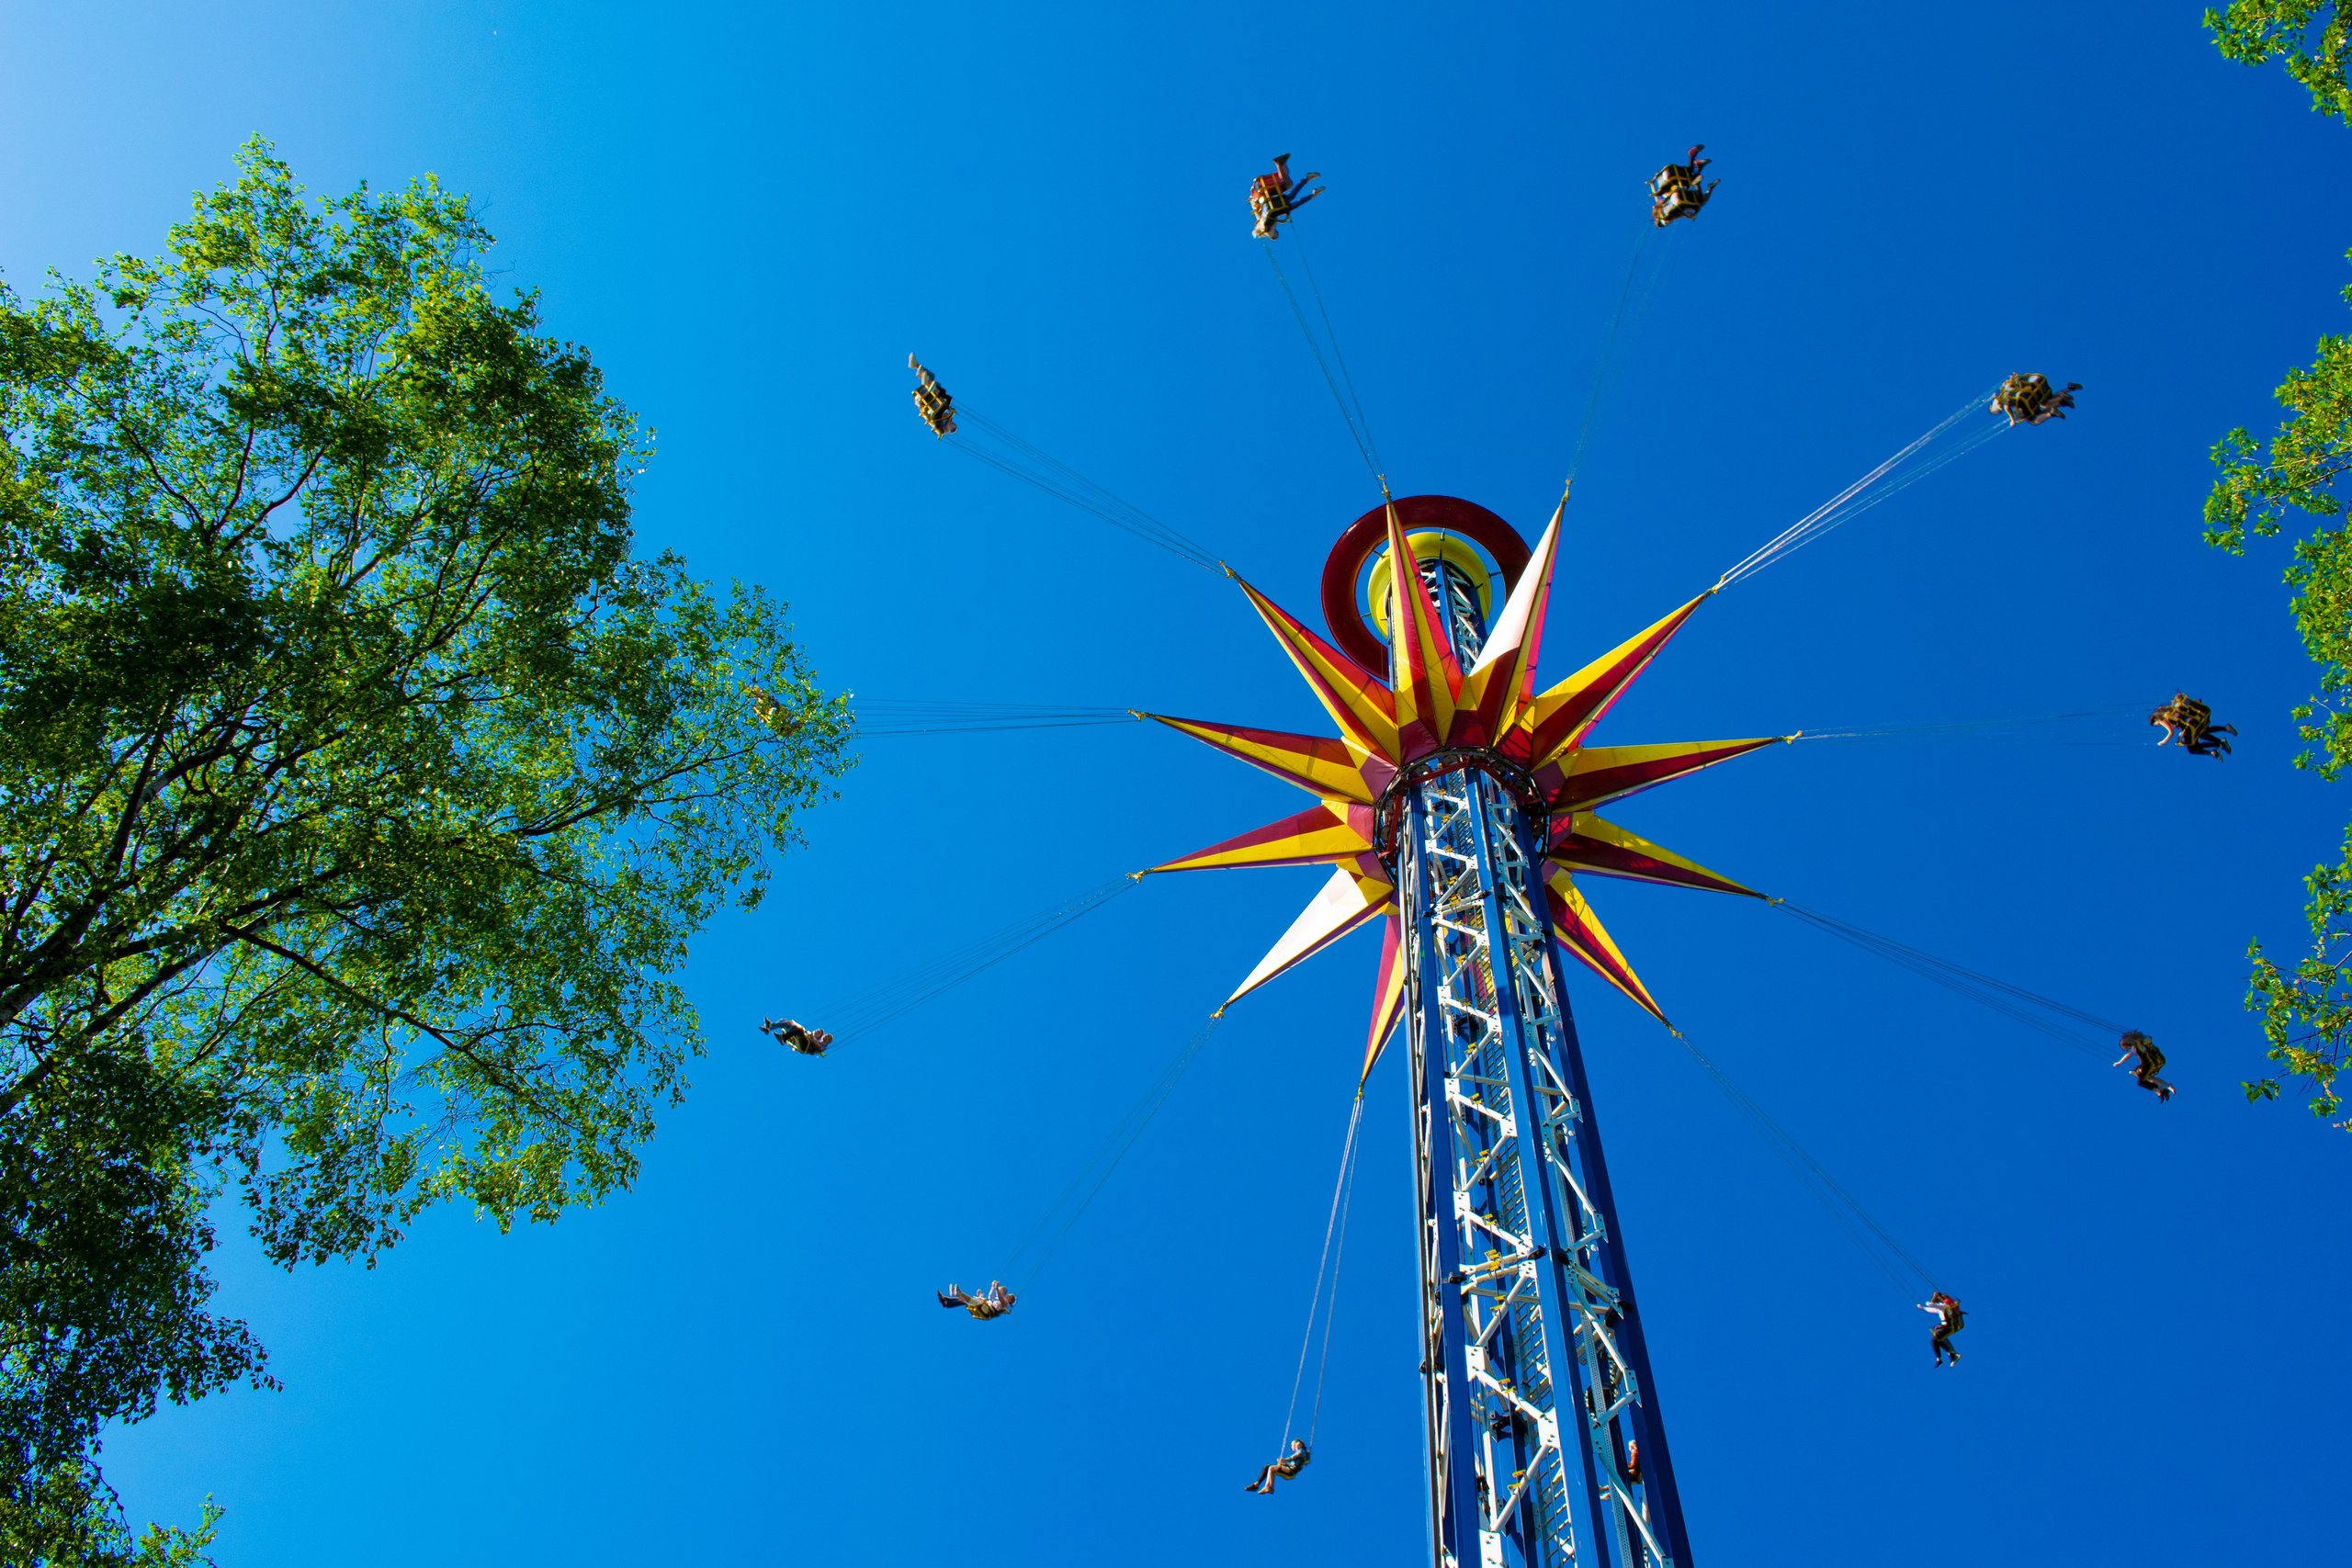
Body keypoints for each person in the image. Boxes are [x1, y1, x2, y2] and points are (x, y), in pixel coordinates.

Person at [1250, 153, 1324, 239]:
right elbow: (1257, 213)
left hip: (1272, 208)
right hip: (1273, 207)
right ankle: (1309, 185)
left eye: (1275, 235)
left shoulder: (1266, 230)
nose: (1276, 234)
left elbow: (1269, 233)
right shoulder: (1261, 222)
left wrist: (1263, 234)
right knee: (1292, 200)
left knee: (1293, 201)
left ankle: (1309, 186)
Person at [1649, 144, 1719, 226]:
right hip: (1668, 175)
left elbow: (1675, 215)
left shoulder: (1666, 213)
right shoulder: (1660, 201)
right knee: (1689, 174)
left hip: (1674, 191)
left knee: (1701, 201)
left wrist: (1687, 215)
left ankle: (1707, 186)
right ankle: (1694, 160)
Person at [2150, 693, 2234, 758]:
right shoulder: (2173, 710)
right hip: (2195, 721)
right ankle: (2223, 734)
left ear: (2155, 720)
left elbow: (2171, 732)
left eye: (2156, 724)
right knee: (2202, 733)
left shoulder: (2161, 718)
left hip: (2189, 727)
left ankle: (2215, 749)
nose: (2158, 725)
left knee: (2192, 749)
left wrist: (2163, 742)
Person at [1991, 373, 2082, 427]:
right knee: (2045, 401)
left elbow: (2007, 407)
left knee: (2033, 420)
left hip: (2025, 398)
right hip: (2038, 381)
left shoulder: (2002, 400)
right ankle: (2067, 391)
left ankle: (2051, 412)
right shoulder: (2008, 386)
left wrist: (2012, 420)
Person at [2115, 1031, 2175, 1100]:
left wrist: (2119, 1063)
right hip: (2155, 1062)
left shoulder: (2138, 1045)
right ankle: (2166, 1087)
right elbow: (2129, 1054)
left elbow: (2129, 1055)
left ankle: (2161, 1091)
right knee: (2149, 1078)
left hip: (2149, 1064)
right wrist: (2119, 1062)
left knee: (2141, 1082)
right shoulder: (2138, 1045)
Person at [909, 354, 956, 436]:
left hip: (930, 407)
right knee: (932, 377)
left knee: (943, 399)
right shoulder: (944, 419)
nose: (952, 423)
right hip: (929, 403)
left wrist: (951, 414)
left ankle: (928, 384)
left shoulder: (946, 430)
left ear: (952, 428)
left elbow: (945, 419)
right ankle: (916, 366)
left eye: (953, 424)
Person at [1244, 1438, 1312, 1494]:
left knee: (1272, 1468)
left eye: (1292, 1445)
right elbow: (1294, 1462)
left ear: (1297, 1444)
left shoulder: (1301, 1451)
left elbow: (1295, 1456)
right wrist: (1283, 1463)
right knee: (1267, 1467)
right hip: (1290, 1470)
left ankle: (1269, 1487)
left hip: (1291, 1471)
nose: (1291, 1447)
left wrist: (1285, 1460)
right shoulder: (1302, 1454)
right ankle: (1257, 1484)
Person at [1918, 1292, 1966, 1367]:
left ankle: (1941, 1358)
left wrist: (1928, 1303)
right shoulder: (1942, 1308)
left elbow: (1933, 1305)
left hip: (1948, 1327)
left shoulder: (1944, 1306)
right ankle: (1951, 1354)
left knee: (1934, 1340)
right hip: (1947, 1327)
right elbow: (1932, 1310)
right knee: (1938, 1340)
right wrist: (1923, 1307)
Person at [938, 1280, 1015, 1320]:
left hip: (988, 1311)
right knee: (965, 1301)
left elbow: (1001, 1298)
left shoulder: (1006, 1305)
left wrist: (996, 1288)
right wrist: (992, 1287)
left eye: (1007, 1296)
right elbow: (990, 1296)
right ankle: (946, 1301)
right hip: (986, 1308)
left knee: (975, 1301)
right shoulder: (996, 1300)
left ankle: (958, 1293)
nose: (1006, 1296)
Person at [761, 1018, 832, 1056]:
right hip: (802, 1041)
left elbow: (818, 1047)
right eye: (817, 1030)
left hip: (805, 1047)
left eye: (828, 1037)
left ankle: (783, 1038)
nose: (827, 1036)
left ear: (828, 1041)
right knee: (786, 1022)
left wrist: (812, 1037)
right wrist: (793, 1023)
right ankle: (769, 1027)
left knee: (800, 1030)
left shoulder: (823, 1046)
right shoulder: (810, 1034)